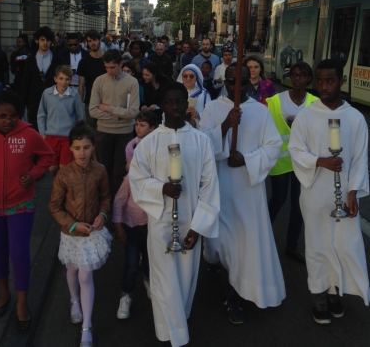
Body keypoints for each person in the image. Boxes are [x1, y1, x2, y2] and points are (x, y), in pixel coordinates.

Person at [129, 82, 220, 347]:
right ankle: (173, 334)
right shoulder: (150, 143)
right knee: (164, 278)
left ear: (186, 104)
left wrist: (198, 227)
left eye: (180, 101)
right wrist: (162, 188)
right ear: (162, 105)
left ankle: (180, 322)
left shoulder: (201, 141)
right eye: (169, 102)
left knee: (185, 277)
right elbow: (137, 179)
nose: (175, 107)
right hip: (160, 222)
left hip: (191, 220)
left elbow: (210, 186)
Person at [200, 63, 285, 324]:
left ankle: (235, 293)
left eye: (243, 81)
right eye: (232, 81)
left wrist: (247, 160)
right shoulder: (213, 108)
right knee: (218, 241)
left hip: (248, 190)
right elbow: (202, 145)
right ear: (224, 80)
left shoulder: (260, 111)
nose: (237, 86)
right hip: (220, 186)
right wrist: (225, 126)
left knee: (244, 244)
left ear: (252, 81)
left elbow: (274, 146)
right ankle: (214, 262)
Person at [288, 59, 370, 325]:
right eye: (320, 81)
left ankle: (336, 291)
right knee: (318, 245)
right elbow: (295, 150)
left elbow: (360, 158)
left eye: (330, 81)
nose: (324, 86)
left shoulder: (355, 118)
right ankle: (319, 295)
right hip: (315, 192)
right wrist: (320, 161)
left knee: (344, 244)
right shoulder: (307, 115)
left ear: (341, 81)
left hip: (345, 194)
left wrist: (353, 192)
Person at [49, 121, 111, 347]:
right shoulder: (63, 174)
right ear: (70, 148)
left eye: (86, 147)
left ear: (93, 146)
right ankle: (74, 300)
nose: (82, 153)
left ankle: (87, 326)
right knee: (72, 268)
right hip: (72, 232)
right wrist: (73, 225)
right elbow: (54, 206)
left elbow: (105, 198)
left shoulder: (100, 171)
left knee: (85, 275)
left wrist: (103, 215)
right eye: (77, 148)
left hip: (92, 231)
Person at [0, 91, 54, 330]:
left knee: (19, 254)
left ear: (20, 116)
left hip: (21, 204)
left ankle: (22, 303)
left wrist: (34, 174)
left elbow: (47, 157)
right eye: (1, 116)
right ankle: (3, 293)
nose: (8, 120)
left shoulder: (29, 135)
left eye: (13, 116)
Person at [266, 62, 318, 263]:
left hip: (303, 163)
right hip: (280, 163)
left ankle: (292, 246)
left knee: (299, 205)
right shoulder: (275, 101)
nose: (297, 79)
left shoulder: (315, 102)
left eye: (302, 75)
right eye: (294, 75)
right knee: (277, 201)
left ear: (309, 79)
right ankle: (263, 238)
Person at [113, 111, 160, 320]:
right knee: (132, 262)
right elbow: (119, 201)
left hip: (151, 224)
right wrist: (118, 225)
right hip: (132, 225)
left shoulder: (155, 178)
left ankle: (149, 281)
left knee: (150, 257)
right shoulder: (129, 179)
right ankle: (126, 294)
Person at [89, 49, 140, 200]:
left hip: (124, 133)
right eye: (106, 67)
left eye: (112, 67)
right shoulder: (99, 81)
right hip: (103, 132)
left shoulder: (132, 82)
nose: (109, 71)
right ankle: (106, 203)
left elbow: (133, 112)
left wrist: (109, 108)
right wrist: (119, 115)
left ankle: (119, 203)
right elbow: (92, 110)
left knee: (120, 171)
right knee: (103, 169)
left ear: (121, 64)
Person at [37, 66, 85, 176]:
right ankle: (59, 183)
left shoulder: (74, 95)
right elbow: (41, 114)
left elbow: (80, 116)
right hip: (51, 136)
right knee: (52, 167)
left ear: (71, 80)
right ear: (55, 79)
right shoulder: (47, 93)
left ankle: (63, 189)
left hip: (68, 136)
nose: (63, 82)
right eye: (61, 78)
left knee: (65, 167)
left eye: (67, 79)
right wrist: (42, 133)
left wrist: (77, 134)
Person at [21, 26, 63, 131]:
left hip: (53, 100)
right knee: (34, 130)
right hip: (34, 101)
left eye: (47, 40)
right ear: (37, 40)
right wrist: (22, 103)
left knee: (52, 131)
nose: (45, 43)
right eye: (42, 40)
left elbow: (63, 80)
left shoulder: (57, 59)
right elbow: (26, 82)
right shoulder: (30, 59)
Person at [77, 30, 106, 129]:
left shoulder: (107, 59)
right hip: (90, 101)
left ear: (99, 40)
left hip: (107, 101)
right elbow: (81, 85)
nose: (92, 43)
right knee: (91, 131)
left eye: (94, 40)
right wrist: (79, 103)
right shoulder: (83, 62)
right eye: (89, 41)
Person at [177, 64, 211, 128]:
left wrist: (198, 115)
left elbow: (210, 114)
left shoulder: (204, 94)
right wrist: (183, 113)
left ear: (196, 78)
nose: (188, 78)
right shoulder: (176, 93)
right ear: (182, 78)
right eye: (185, 76)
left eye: (191, 76)